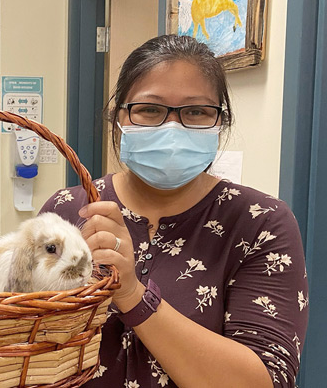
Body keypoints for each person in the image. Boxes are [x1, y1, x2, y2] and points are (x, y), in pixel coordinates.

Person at [41, 35, 308, 387]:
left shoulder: (261, 224)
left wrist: (133, 294)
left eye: (196, 112)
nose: (172, 128)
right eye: (150, 109)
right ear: (119, 116)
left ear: (220, 122)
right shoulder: (67, 211)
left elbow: (264, 380)